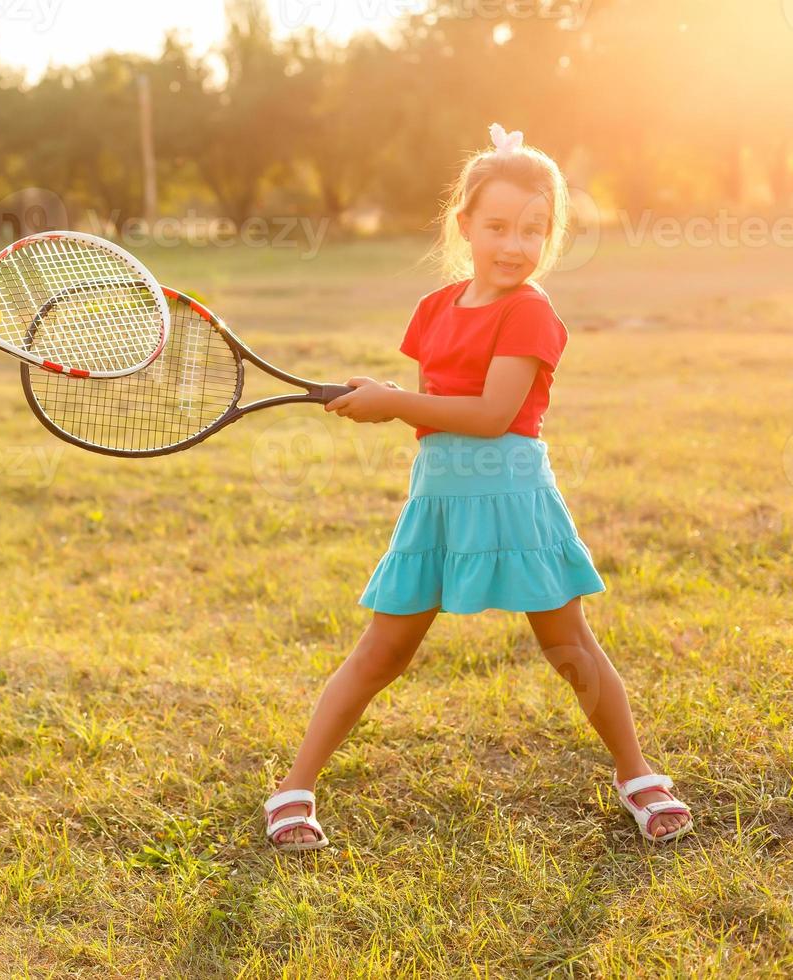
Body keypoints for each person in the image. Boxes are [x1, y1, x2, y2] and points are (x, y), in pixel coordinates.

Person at [263, 124, 693, 852]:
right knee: (382, 652)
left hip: (515, 499)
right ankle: (295, 787)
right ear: (464, 225)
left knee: (570, 650)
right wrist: (389, 400)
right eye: (497, 226)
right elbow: (442, 420)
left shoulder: (531, 311)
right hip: (439, 500)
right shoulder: (434, 309)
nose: (514, 244)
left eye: (534, 229)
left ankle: (638, 774)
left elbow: (493, 416)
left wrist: (396, 400)